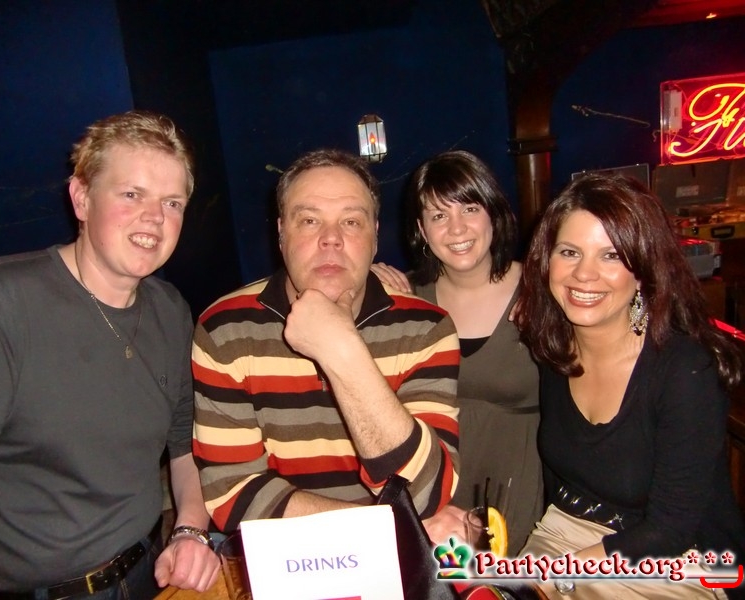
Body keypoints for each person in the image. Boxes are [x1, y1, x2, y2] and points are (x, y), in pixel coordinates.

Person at [0, 111, 221, 598]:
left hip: (146, 573)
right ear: (81, 198)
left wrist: (190, 531)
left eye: (172, 202)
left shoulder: (170, 310)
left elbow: (184, 448)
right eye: (131, 194)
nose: (155, 217)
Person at [191, 148, 461, 533]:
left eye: (351, 221)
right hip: (291, 554)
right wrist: (383, 528)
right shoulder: (225, 328)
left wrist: (341, 350)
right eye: (309, 220)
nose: (331, 239)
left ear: (375, 235)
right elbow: (231, 495)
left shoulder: (426, 328)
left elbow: (427, 492)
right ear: (281, 232)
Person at [514, 173, 745, 599]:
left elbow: (671, 530)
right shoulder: (553, 349)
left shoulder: (685, 371)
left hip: (676, 560)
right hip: (565, 532)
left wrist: (562, 573)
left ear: (642, 271)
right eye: (569, 252)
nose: (584, 274)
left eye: (611, 256)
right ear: (547, 261)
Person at [372, 150, 543, 555]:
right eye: (438, 215)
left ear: (493, 213)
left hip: (519, 491)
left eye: (469, 208)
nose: (457, 228)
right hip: (433, 498)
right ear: (422, 229)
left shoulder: (544, 290)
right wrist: (368, 287)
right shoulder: (407, 298)